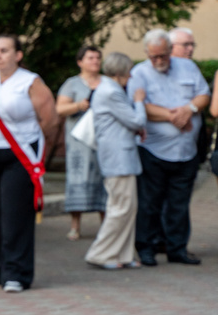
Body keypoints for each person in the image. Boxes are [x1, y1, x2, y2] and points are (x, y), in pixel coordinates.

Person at [0, 34, 56, 293]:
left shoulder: (30, 81)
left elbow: (50, 120)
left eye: (5, 50)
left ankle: (16, 273)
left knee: (15, 216)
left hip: (19, 156)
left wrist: (40, 154)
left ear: (18, 55)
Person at [127, 29, 210, 266]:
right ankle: (146, 248)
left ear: (169, 50)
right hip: (153, 151)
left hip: (186, 151)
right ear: (147, 54)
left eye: (163, 55)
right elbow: (139, 105)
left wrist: (188, 110)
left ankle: (177, 248)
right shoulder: (139, 73)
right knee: (149, 203)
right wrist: (173, 116)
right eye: (155, 57)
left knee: (179, 204)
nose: (159, 61)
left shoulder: (187, 67)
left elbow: (203, 95)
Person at [84, 53, 146, 269]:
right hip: (118, 158)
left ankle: (124, 253)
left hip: (119, 157)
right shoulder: (111, 91)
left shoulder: (108, 89)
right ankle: (101, 253)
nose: (130, 75)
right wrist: (139, 102)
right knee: (121, 207)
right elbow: (137, 120)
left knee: (127, 207)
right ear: (122, 72)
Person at [55, 46, 107, 241]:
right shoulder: (72, 84)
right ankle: (75, 226)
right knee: (77, 179)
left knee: (103, 180)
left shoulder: (106, 82)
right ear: (80, 62)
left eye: (97, 57)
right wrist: (79, 106)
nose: (95, 61)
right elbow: (59, 109)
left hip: (102, 140)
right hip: (79, 142)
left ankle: (106, 225)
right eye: (90, 57)